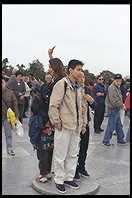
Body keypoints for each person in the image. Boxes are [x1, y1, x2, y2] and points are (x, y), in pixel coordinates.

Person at [48, 59, 87, 194]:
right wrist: (56, 122)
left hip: (75, 127)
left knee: (72, 154)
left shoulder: (79, 86)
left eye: (81, 70)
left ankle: (69, 177)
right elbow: (53, 105)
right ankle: (59, 179)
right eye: (78, 69)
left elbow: (82, 107)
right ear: (70, 70)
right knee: (60, 154)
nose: (80, 72)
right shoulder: (62, 84)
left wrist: (83, 123)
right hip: (64, 126)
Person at [28, 46, 66, 184]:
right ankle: (47, 172)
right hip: (49, 121)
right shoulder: (54, 81)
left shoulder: (59, 81)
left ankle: (44, 173)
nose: (48, 69)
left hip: (50, 119)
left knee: (44, 152)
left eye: (50, 67)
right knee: (49, 150)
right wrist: (50, 57)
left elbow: (60, 74)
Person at [74, 71, 96, 182]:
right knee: (73, 149)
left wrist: (91, 100)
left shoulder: (87, 90)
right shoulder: (73, 89)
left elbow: (94, 106)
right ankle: (73, 170)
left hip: (85, 123)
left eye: (83, 77)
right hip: (75, 124)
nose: (82, 79)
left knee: (84, 147)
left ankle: (81, 166)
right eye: (79, 77)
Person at [28, 93, 54, 183]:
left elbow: (33, 131)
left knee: (42, 158)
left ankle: (43, 174)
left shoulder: (35, 116)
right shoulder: (48, 114)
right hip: (50, 140)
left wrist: (33, 142)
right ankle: (48, 172)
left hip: (40, 141)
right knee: (49, 156)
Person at [102, 74, 127, 146]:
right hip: (113, 109)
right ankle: (106, 140)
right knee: (111, 125)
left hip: (116, 109)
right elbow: (114, 100)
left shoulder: (117, 87)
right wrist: (122, 105)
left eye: (120, 81)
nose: (119, 82)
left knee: (119, 125)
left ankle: (120, 139)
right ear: (114, 80)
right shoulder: (112, 88)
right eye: (117, 81)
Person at [2, 75, 19, 156]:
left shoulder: (10, 92)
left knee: (8, 134)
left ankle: (10, 148)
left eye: (2, 82)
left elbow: (14, 104)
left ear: (5, 83)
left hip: (7, 117)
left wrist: (16, 114)